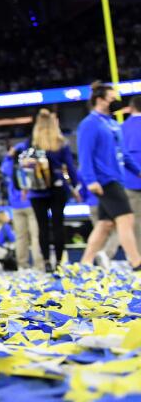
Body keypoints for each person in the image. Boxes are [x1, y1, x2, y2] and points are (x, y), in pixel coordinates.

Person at [78, 82, 141, 269]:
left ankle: (85, 262)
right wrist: (90, 180)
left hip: (117, 177)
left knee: (105, 224)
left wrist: (137, 171)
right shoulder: (89, 123)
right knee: (127, 218)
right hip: (104, 180)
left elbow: (124, 153)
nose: (116, 102)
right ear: (100, 100)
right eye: (112, 99)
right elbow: (85, 154)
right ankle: (136, 261)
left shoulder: (113, 123)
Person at [17, 109, 80, 271]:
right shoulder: (60, 142)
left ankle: (46, 261)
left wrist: (24, 186)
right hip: (58, 188)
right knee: (58, 225)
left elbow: (22, 166)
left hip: (37, 191)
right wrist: (76, 186)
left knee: (42, 227)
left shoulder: (31, 142)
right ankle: (59, 262)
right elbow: (70, 168)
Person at [1, 145, 42, 271]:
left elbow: (4, 165)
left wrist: (11, 152)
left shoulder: (10, 167)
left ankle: (22, 265)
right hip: (31, 204)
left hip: (16, 206)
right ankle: (39, 265)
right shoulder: (31, 163)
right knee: (36, 236)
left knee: (20, 237)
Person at [124, 96, 141, 252]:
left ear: (131, 107)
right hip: (133, 178)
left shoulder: (122, 127)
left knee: (136, 221)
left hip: (131, 181)